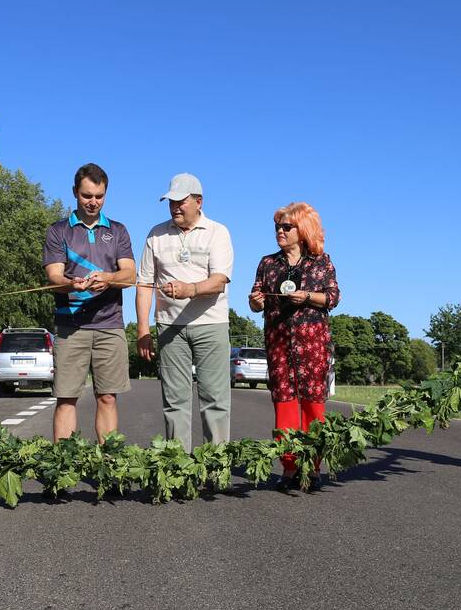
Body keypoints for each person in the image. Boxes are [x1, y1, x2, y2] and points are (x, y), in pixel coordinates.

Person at [136, 173, 234, 452]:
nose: (175, 207)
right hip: (169, 327)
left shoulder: (218, 231)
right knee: (175, 400)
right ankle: (179, 468)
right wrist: (143, 329)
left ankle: (216, 465)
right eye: (171, 202)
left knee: (214, 399)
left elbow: (219, 281)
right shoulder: (156, 234)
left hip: (211, 324)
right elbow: (144, 284)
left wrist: (189, 289)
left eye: (181, 201)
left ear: (199, 201)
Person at [43, 163, 135, 443]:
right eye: (86, 196)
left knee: (107, 396)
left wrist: (108, 278)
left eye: (99, 196)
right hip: (71, 326)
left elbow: (130, 275)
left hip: (110, 325)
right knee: (67, 398)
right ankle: (63, 469)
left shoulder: (118, 230)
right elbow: (54, 275)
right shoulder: (59, 231)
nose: (93, 202)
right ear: (75, 193)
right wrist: (71, 283)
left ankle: (108, 468)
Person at [248, 202, 340, 485]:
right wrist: (255, 301)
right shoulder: (268, 263)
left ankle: (313, 466)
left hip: (311, 342)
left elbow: (333, 298)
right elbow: (254, 300)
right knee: (284, 404)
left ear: (303, 231)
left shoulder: (321, 262)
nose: (280, 231)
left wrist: (308, 296)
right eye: (278, 227)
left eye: (287, 227)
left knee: (313, 404)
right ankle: (288, 467)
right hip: (278, 341)